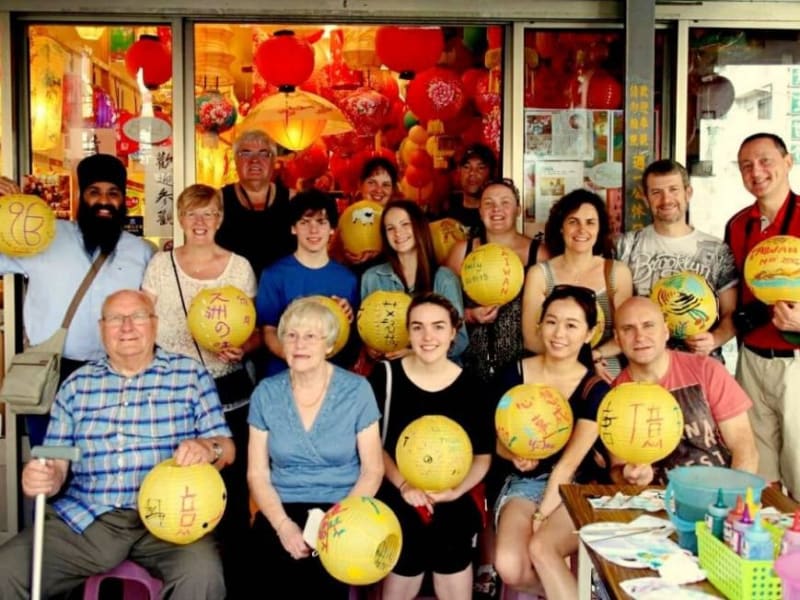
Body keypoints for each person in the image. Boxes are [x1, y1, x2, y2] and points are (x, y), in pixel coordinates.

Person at [0, 290, 234, 599]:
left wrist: (208, 448)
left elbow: (227, 449)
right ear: (101, 328)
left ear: (154, 324)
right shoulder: (77, 385)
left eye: (137, 316)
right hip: (89, 517)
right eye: (115, 319)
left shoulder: (189, 375)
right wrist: (44, 477)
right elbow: (56, 462)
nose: (127, 327)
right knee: (7, 570)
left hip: (174, 519)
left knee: (202, 576)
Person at [141, 183, 258, 599]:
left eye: (209, 213)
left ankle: (232, 580)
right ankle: (185, 571)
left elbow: (255, 330)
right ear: (181, 218)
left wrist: (244, 347)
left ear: (220, 218)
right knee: (180, 479)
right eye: (193, 214)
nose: (201, 222)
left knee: (233, 485)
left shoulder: (239, 267)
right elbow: (145, 319)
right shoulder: (160, 265)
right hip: (173, 392)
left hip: (229, 388)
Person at [0, 154, 154, 447]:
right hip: (53, 374)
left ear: (124, 201)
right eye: (94, 192)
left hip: (117, 377)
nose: (104, 202)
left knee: (107, 468)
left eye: (113, 194)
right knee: (50, 469)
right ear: (80, 196)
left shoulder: (142, 252)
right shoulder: (43, 236)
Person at [247, 297, 384, 599]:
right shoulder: (266, 393)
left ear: (329, 345)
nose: (299, 344)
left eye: (311, 336)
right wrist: (284, 527)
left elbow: (373, 470)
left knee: (321, 582)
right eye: (292, 335)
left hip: (344, 506)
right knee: (258, 573)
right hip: (282, 507)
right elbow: (257, 474)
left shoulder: (357, 390)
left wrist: (331, 525)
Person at [367, 293, 494, 600]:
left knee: (450, 533)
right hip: (397, 485)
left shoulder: (472, 386)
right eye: (417, 327)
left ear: (454, 332)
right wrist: (404, 485)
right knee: (407, 532)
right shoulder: (385, 377)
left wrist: (455, 490)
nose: (427, 337)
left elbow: (482, 457)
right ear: (408, 332)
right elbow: (375, 446)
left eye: (438, 327)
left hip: (454, 489)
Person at [493, 284, 609, 599]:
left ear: (589, 333)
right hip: (526, 482)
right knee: (509, 565)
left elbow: (570, 464)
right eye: (552, 321)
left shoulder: (594, 389)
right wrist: (514, 454)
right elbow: (495, 440)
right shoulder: (513, 374)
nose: (559, 333)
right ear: (540, 324)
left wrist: (541, 516)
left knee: (541, 547)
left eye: (572, 325)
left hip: (576, 487)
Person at [609, 296, 758, 487]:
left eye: (648, 325)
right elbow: (617, 469)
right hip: (657, 501)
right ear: (617, 339)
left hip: (719, 495)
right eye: (628, 329)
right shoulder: (616, 395)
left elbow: (744, 448)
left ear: (665, 331)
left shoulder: (706, 370)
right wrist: (629, 476)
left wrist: (731, 500)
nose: (640, 337)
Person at [724, 132, 800, 499]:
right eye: (746, 165)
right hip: (751, 361)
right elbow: (736, 292)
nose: (756, 171)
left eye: (765, 160)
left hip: (796, 364)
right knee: (758, 475)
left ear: (788, 162)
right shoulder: (739, 225)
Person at [616, 159, 738, 359]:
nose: (666, 200)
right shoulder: (626, 246)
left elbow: (731, 313)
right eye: (656, 192)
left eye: (674, 190)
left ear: (687, 193)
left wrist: (715, 339)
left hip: (700, 365)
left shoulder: (717, 250)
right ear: (646, 199)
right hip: (641, 365)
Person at [522, 189, 633, 382]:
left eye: (590, 223)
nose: (582, 230)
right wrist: (580, 360)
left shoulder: (617, 272)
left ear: (600, 229)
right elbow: (531, 339)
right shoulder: (539, 274)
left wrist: (595, 356)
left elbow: (627, 333)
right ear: (561, 227)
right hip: (552, 368)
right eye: (573, 222)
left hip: (605, 365)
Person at [445, 178, 547, 384]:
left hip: (525, 367)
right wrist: (470, 315)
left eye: (505, 203)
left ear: (518, 210)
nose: (496, 209)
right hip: (469, 366)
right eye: (488, 203)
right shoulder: (462, 252)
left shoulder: (539, 254)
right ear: (480, 211)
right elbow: (441, 308)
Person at [256, 189, 360, 378]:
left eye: (321, 222)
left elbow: (348, 338)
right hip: (285, 377)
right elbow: (268, 331)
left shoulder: (348, 279)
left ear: (332, 228)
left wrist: (348, 317)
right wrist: (297, 360)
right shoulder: (274, 275)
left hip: (330, 379)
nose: (313, 230)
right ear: (293, 228)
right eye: (305, 222)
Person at [360, 198, 468, 366]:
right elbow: (366, 330)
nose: (398, 233)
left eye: (405, 224)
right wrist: (370, 346)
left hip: (436, 375)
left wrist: (414, 352)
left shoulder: (444, 278)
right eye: (390, 228)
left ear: (419, 227)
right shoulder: (372, 277)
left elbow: (461, 340)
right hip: (390, 373)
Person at [215, 129, 295, 278]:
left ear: (274, 161)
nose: (255, 160)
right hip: (232, 292)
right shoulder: (218, 200)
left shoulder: (293, 200)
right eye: (246, 153)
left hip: (282, 292)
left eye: (264, 154)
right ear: (235, 160)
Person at [332, 156, 400, 272]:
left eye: (386, 185)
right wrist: (346, 256)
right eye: (372, 182)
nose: (379, 190)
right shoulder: (350, 217)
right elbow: (332, 256)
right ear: (360, 184)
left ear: (393, 190)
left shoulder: (399, 220)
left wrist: (382, 251)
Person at [445, 143, 497, 235]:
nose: (472, 173)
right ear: (459, 170)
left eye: (480, 168)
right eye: (467, 167)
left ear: (490, 173)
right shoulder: (446, 210)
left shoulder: (496, 213)